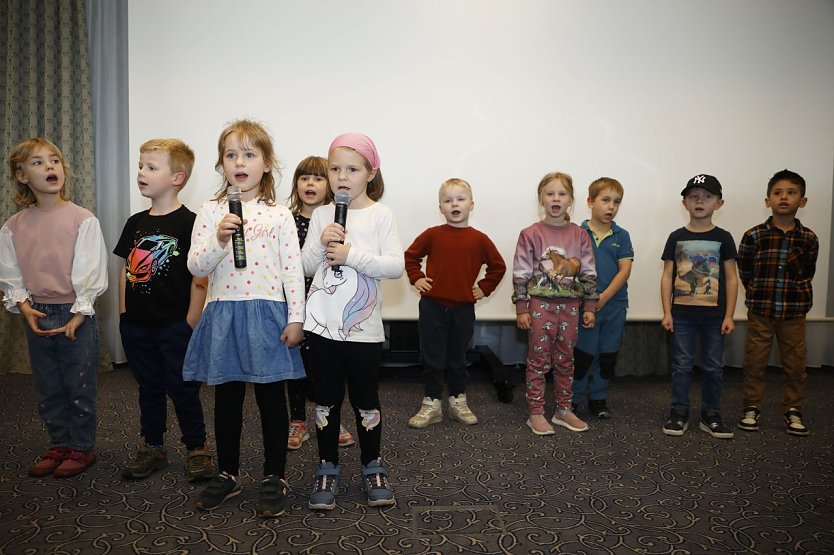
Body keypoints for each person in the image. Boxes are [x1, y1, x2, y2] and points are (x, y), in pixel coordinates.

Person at [184, 120, 305, 517]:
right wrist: (219, 239)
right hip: (224, 313)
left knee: (272, 398)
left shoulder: (279, 214)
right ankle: (229, 473)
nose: (240, 162)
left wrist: (296, 318)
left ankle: (274, 476)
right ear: (221, 164)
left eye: (250, 154)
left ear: (266, 164)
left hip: (268, 312)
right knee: (227, 399)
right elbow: (195, 265)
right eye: (231, 154)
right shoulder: (210, 211)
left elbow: (292, 271)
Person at [302, 132, 403, 510]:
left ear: (370, 172)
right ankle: (327, 466)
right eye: (335, 168)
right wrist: (319, 242)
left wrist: (351, 254)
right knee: (326, 401)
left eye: (353, 168)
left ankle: (371, 465)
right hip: (322, 328)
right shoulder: (322, 215)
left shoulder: (381, 215)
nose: (342, 176)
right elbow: (305, 267)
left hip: (363, 333)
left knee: (365, 401)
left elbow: (394, 266)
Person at [0, 138, 108, 478]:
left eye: (55, 160)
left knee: (79, 385)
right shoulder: (14, 225)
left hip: (76, 313)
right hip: (38, 313)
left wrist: (79, 313)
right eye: (38, 163)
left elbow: (91, 270)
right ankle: (59, 442)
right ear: (21, 175)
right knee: (48, 385)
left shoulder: (82, 219)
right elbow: (10, 270)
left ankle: (81, 447)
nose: (50, 167)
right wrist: (23, 305)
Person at [115, 139, 213, 481]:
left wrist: (190, 321)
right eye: (140, 166)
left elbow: (200, 276)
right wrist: (124, 316)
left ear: (177, 178)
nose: (141, 173)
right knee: (149, 388)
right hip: (137, 325)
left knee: (184, 389)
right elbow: (125, 270)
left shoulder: (192, 223)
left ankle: (197, 448)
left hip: (175, 324)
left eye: (151, 167)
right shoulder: (135, 222)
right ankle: (152, 446)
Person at [404, 178, 506, 428]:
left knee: (458, 358)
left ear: (471, 204)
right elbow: (410, 257)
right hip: (432, 307)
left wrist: (483, 288)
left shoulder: (480, 239)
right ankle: (431, 403)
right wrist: (417, 278)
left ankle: (458, 400)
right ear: (440, 207)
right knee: (432, 357)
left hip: (463, 308)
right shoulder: (433, 234)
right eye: (448, 200)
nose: (454, 204)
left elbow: (498, 267)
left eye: (460, 199)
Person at [512, 172, 598, 436]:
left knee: (566, 358)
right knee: (538, 360)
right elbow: (521, 272)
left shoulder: (580, 234)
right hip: (540, 306)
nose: (556, 198)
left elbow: (589, 272)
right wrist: (522, 307)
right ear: (541, 199)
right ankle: (536, 412)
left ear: (571, 200)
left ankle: (563, 409)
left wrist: (591, 305)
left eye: (562, 194)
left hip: (571, 307)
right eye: (550, 193)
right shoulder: (530, 234)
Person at [736, 169, 818, 436]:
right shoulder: (754, 236)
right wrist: (758, 291)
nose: (784, 197)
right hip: (761, 309)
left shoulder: (808, 238)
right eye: (778, 193)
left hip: (794, 312)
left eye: (792, 193)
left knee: (795, 361)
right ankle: (751, 407)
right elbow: (746, 271)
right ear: (767, 200)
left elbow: (808, 272)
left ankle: (793, 409)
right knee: (755, 360)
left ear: (802, 201)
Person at [660, 174, 738, 439]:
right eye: (694, 196)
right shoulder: (676, 237)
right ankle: (679, 413)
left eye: (707, 196)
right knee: (681, 365)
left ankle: (711, 414)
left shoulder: (723, 238)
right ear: (684, 203)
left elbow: (731, 278)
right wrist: (667, 312)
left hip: (715, 316)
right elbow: (667, 276)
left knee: (713, 366)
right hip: (682, 315)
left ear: (719, 203)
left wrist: (729, 315)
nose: (700, 201)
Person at [285, 156, 354, 450]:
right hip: (296, 304)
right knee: (297, 365)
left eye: (317, 178)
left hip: (329, 306)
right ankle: (298, 420)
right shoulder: (285, 219)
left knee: (327, 367)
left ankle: (330, 417)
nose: (310, 183)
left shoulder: (339, 220)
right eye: (304, 178)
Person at [572, 178, 633, 419]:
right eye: (605, 200)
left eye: (616, 202)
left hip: (614, 305)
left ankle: (598, 399)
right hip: (582, 305)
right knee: (583, 354)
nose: (611, 207)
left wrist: (604, 297)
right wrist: (588, 299)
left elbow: (625, 270)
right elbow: (570, 269)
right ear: (590, 202)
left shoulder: (622, 235)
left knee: (607, 353)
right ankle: (573, 399)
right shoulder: (577, 233)